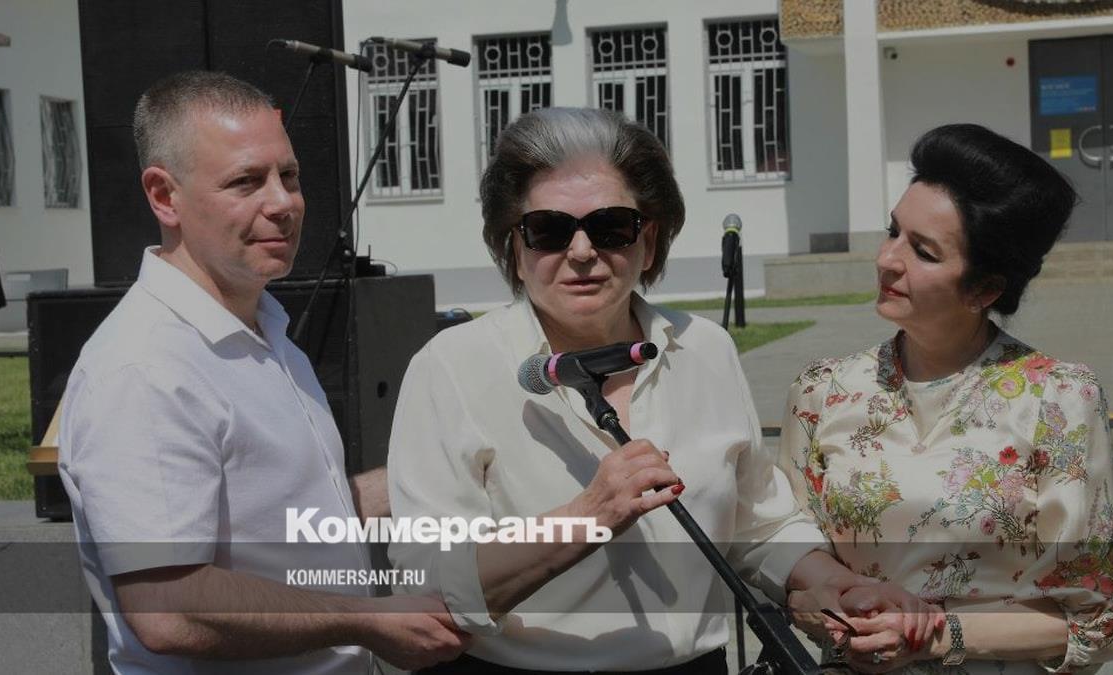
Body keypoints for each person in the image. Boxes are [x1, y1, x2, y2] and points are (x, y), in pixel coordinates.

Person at [386, 107, 941, 674]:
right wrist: (585, 517)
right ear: (515, 247)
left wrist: (832, 584)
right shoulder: (451, 367)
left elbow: (758, 522)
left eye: (610, 227)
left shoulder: (705, 348)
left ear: (648, 241)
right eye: (549, 230)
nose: (581, 251)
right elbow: (427, 581)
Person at [57, 71, 470, 673]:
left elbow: (289, 518)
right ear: (164, 197)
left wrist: (450, 468)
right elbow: (169, 608)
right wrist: (368, 619)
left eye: (289, 176)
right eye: (246, 181)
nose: (282, 203)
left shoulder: (262, 328)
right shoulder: (144, 369)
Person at [779, 124, 1113, 673]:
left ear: (984, 289)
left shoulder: (1059, 399)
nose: (887, 259)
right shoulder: (822, 391)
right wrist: (827, 610)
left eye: (923, 252)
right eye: (893, 232)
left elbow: (1098, 616)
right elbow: (788, 549)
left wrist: (937, 636)